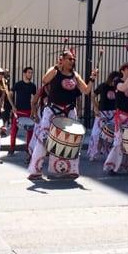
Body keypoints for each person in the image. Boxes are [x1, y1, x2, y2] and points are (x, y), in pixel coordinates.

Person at [27, 50, 97, 180]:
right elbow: (44, 80)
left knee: (72, 142)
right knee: (43, 139)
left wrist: (92, 78)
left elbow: (86, 90)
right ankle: (35, 171)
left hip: (69, 110)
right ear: (63, 59)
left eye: (73, 59)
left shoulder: (75, 75)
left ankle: (71, 170)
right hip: (53, 110)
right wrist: (55, 67)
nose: (72, 61)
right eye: (69, 59)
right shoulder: (54, 71)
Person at [87, 71, 120, 162]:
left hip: (114, 113)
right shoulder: (103, 86)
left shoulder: (118, 88)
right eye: (114, 80)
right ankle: (93, 153)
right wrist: (96, 108)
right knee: (95, 134)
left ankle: (109, 155)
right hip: (102, 113)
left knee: (111, 134)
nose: (115, 82)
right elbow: (93, 95)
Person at [8, 66, 37, 156]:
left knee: (30, 131)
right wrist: (12, 106)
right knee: (13, 130)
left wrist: (33, 112)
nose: (30, 74)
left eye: (31, 73)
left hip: (28, 111)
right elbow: (9, 95)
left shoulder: (33, 86)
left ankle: (28, 149)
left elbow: (35, 100)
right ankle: (12, 148)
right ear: (24, 73)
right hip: (18, 111)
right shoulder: (18, 84)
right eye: (29, 72)